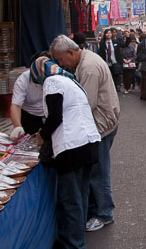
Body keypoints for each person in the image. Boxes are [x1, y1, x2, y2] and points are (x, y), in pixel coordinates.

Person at [49, 35, 120, 233]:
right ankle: (96, 210)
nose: (60, 64)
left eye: (61, 60)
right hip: (101, 122)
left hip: (101, 124)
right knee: (95, 170)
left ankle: (104, 213)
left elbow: (86, 103)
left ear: (71, 53)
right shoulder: (85, 60)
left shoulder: (88, 68)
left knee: (99, 172)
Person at [31, 56, 101, 249]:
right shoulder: (70, 80)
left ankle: (73, 243)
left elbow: (55, 117)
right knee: (81, 195)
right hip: (88, 142)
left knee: (70, 200)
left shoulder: (52, 82)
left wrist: (42, 135)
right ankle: (79, 239)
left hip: (72, 147)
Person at [8, 51, 49, 139]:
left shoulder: (56, 77)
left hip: (50, 116)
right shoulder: (23, 80)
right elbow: (16, 105)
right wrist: (18, 127)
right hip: (30, 117)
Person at [136, 33, 146, 100]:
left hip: (142, 62)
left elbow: (137, 53)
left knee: (143, 79)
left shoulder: (140, 44)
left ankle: (143, 94)